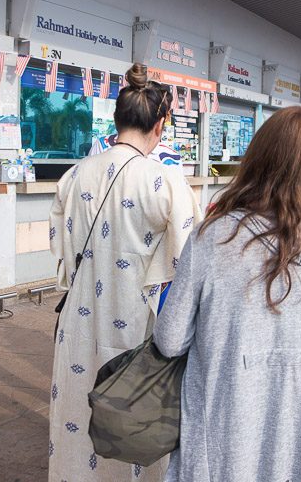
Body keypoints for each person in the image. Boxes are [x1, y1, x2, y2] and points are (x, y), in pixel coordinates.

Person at [154, 106, 301, 481]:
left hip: (217, 453)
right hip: (300, 457)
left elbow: (170, 340)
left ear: (259, 157)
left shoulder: (211, 236)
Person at [48, 63, 202, 482]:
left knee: (78, 419)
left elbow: (61, 254)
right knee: (134, 426)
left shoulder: (73, 175)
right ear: (161, 123)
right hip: (137, 327)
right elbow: (190, 263)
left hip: (78, 326)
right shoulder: (165, 180)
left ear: (116, 120)